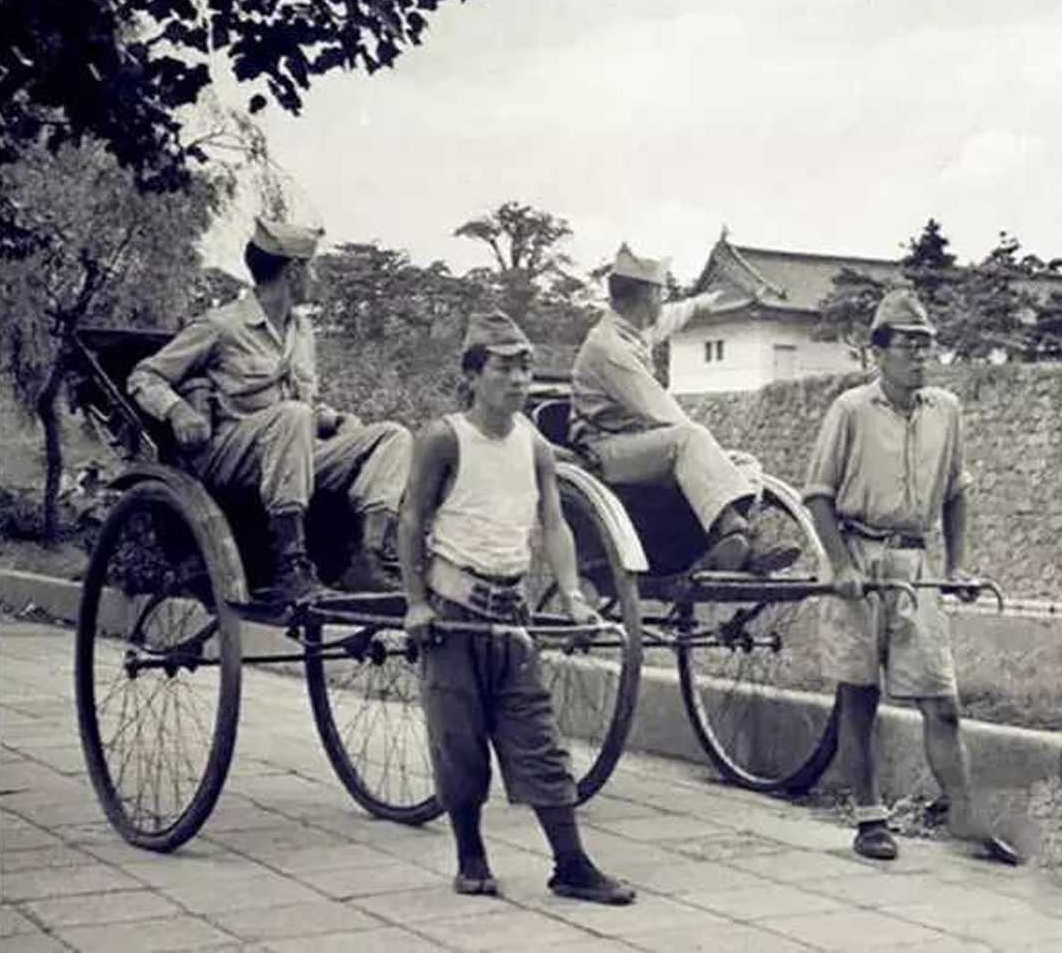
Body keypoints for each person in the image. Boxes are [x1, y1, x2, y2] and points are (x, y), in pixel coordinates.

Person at [399, 309, 636, 905]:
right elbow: (411, 520)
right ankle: (470, 853)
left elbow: (554, 525)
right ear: (474, 375)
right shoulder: (444, 438)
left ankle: (571, 863)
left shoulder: (534, 444)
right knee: (459, 745)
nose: (519, 380)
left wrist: (575, 597)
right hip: (452, 616)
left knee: (540, 741)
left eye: (526, 368)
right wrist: (415, 603)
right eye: (505, 368)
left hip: (511, 616)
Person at [802, 288, 1018, 865]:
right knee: (859, 695)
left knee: (940, 699)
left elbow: (955, 492)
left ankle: (966, 818)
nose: (921, 357)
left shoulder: (945, 409)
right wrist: (842, 566)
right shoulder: (850, 409)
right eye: (908, 346)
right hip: (857, 553)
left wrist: (957, 564)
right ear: (879, 352)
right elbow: (817, 497)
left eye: (928, 346)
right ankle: (870, 818)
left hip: (914, 563)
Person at [128, 217, 412, 604]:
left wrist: (333, 419)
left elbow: (303, 403)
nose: (316, 278)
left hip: (293, 453)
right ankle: (289, 564)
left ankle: (369, 557)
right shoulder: (222, 325)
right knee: (292, 416)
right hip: (232, 455)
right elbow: (144, 376)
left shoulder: (303, 331)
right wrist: (177, 410)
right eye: (311, 268)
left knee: (392, 435)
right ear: (294, 272)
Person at [569, 243, 792, 574]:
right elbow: (660, 410)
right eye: (660, 294)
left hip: (639, 447)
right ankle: (733, 531)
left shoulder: (632, 328)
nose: (663, 301)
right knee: (690, 439)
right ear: (646, 296)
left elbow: (674, 315)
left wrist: (704, 301)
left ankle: (732, 546)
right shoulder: (608, 347)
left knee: (745, 462)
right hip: (606, 452)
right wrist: (705, 449)